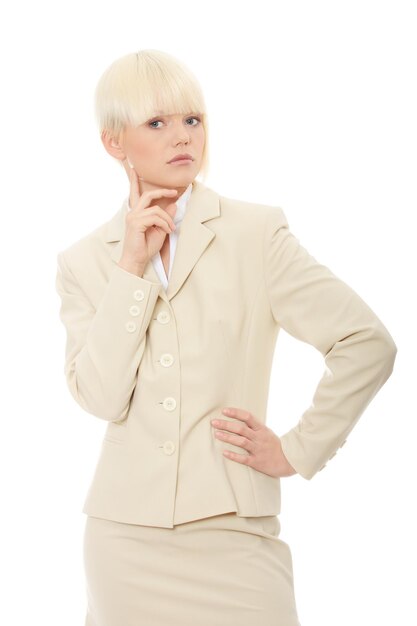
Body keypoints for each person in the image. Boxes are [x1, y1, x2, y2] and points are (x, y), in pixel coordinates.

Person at [55, 49, 397, 626]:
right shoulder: (85, 261)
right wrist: (130, 271)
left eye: (193, 119)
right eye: (156, 123)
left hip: (235, 530)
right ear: (115, 143)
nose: (182, 137)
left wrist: (298, 448)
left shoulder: (255, 233)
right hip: (124, 541)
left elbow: (366, 341)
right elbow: (101, 398)